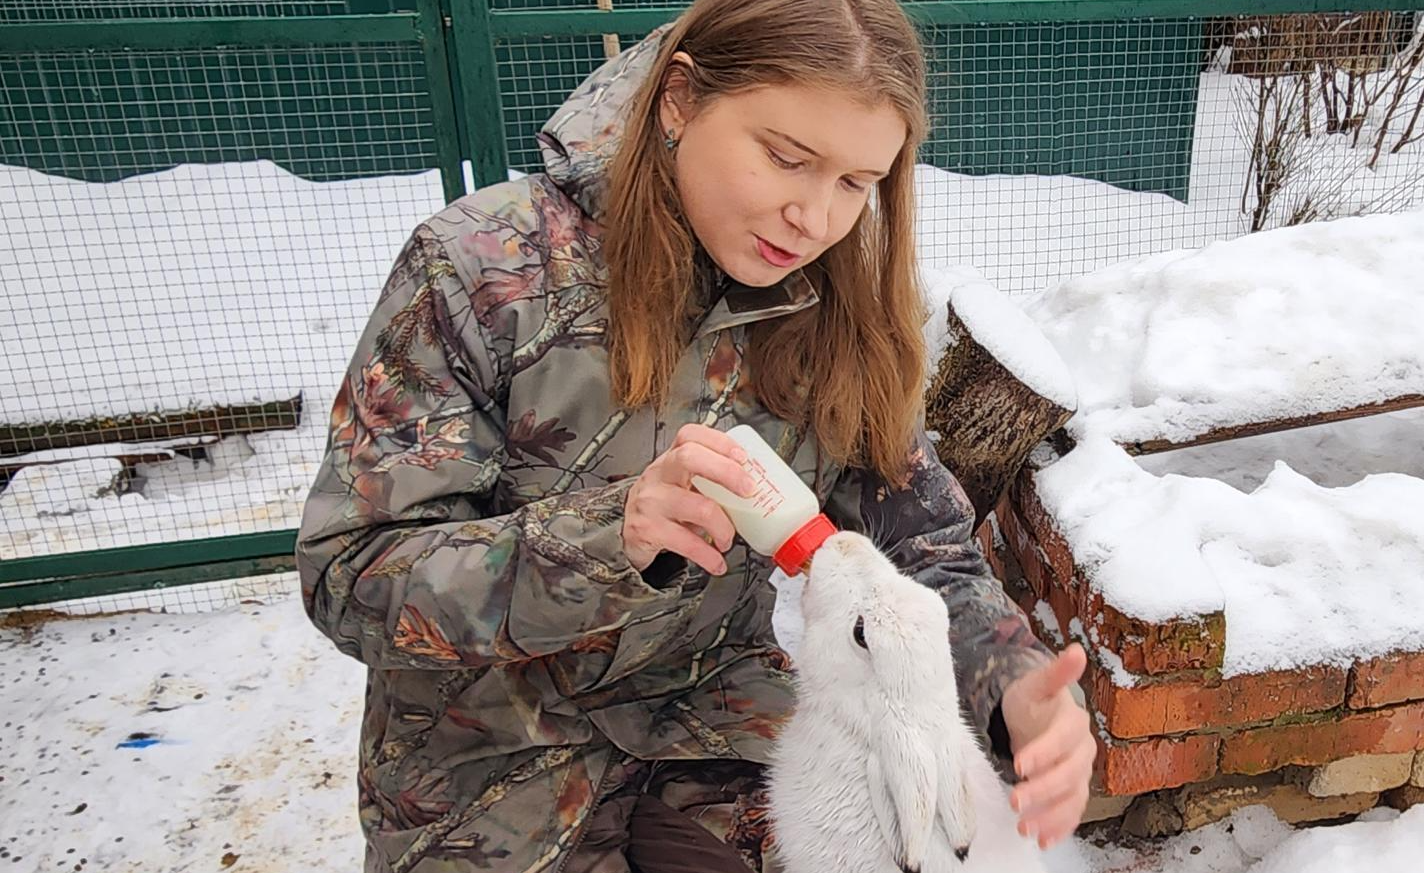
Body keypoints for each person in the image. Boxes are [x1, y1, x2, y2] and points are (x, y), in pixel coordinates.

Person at [294, 0, 1096, 871]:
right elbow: (350, 574)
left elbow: (922, 543)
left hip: (715, 723)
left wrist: (1011, 684)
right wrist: (610, 541)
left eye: (856, 184)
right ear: (679, 100)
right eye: (786, 158)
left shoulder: (839, 303)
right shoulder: (481, 269)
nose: (814, 218)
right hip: (485, 769)